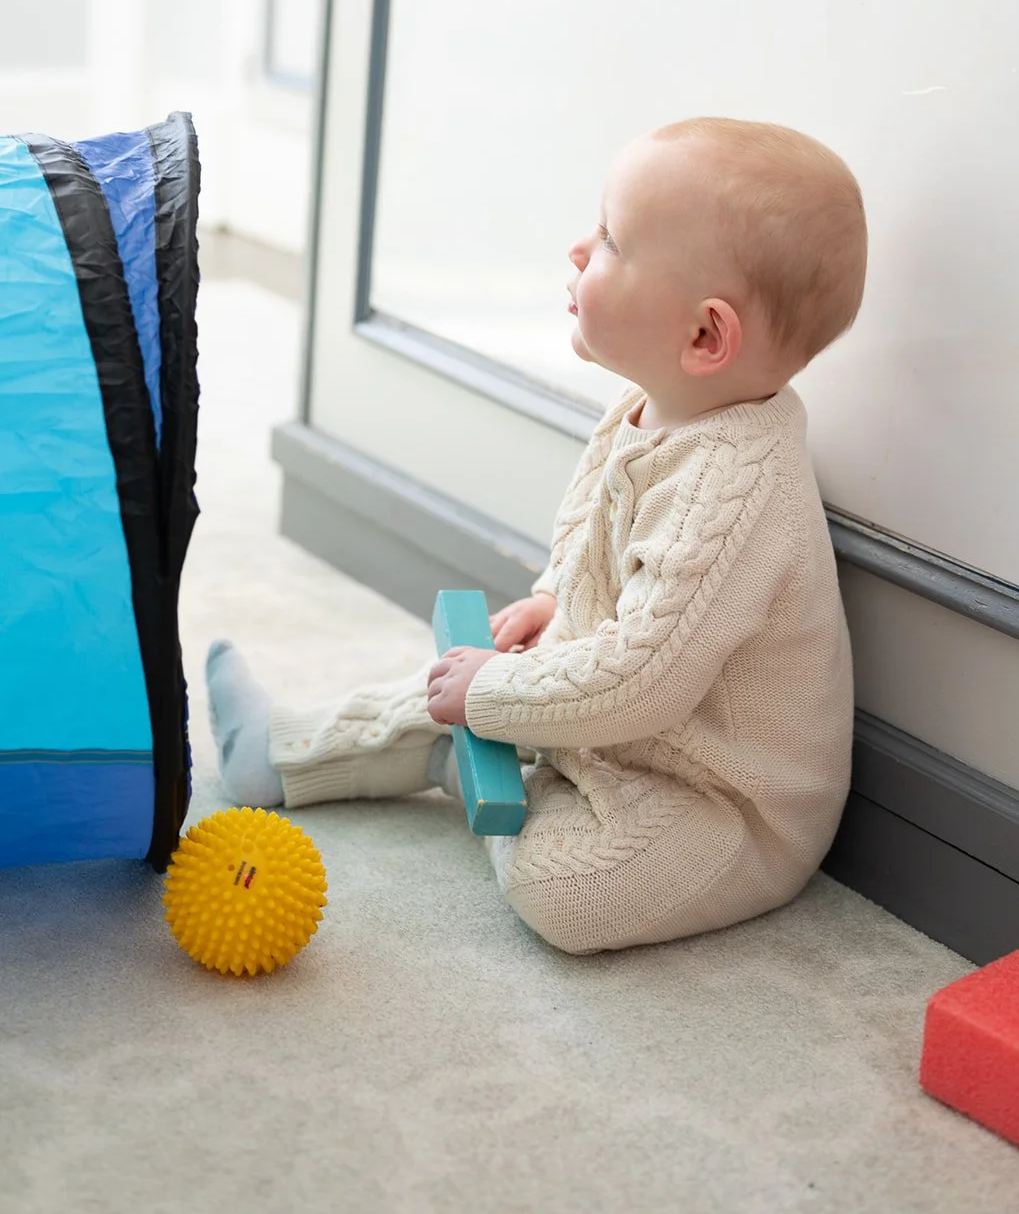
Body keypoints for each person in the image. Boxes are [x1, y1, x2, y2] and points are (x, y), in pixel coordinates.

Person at [207, 116, 868, 955]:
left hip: (715, 799)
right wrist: (555, 596)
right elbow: (590, 531)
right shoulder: (646, 404)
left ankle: (475, 770)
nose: (578, 249)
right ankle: (286, 748)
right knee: (466, 680)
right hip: (621, 717)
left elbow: (646, 681)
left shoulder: (734, 491)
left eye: (612, 241)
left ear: (703, 335)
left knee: (567, 896)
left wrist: (493, 697)